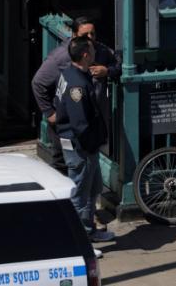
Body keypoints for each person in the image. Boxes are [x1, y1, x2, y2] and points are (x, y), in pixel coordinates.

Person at [32, 16, 121, 174]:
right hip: (66, 123)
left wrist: (107, 71)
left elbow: (120, 64)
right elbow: (38, 83)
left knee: (86, 167)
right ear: (74, 35)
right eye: (85, 35)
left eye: (93, 34)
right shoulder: (60, 57)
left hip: (89, 122)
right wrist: (49, 113)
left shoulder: (100, 50)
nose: (90, 38)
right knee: (63, 164)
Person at [54, 36, 114, 243]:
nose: (95, 51)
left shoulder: (72, 73)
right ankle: (80, 241)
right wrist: (90, 146)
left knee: (92, 190)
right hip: (81, 148)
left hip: (86, 147)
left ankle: (89, 232)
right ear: (86, 55)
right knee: (79, 194)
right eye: (92, 49)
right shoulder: (76, 84)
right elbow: (80, 123)